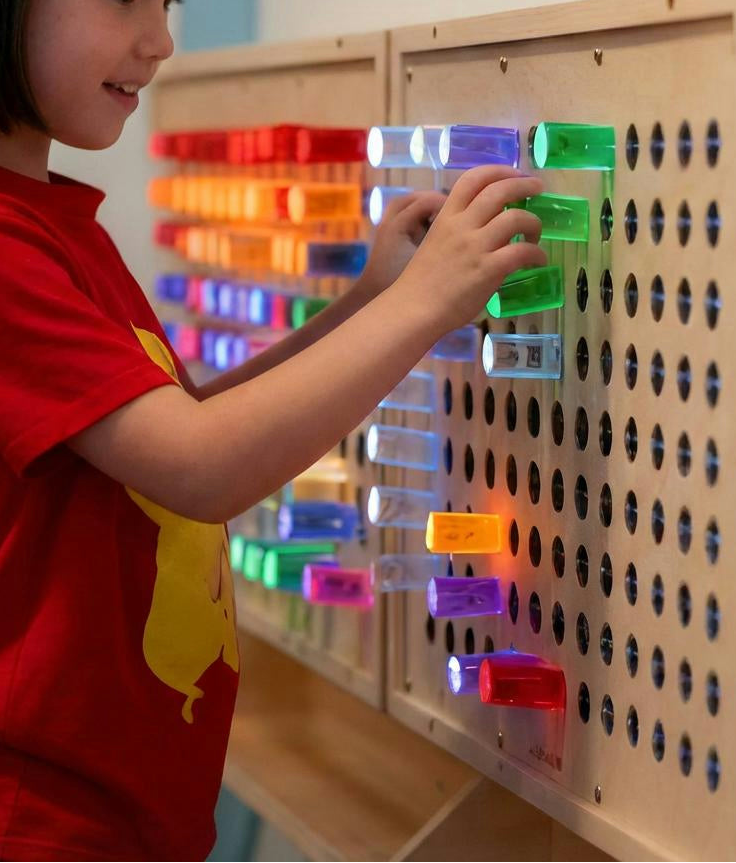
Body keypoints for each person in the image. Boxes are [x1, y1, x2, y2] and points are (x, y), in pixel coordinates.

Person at [0, 0, 545, 859]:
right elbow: (200, 467)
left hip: (121, 817)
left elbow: (190, 426)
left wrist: (368, 301)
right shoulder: (6, 250)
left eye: (169, 4)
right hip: (49, 824)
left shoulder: (52, 224)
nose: (160, 39)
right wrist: (423, 302)